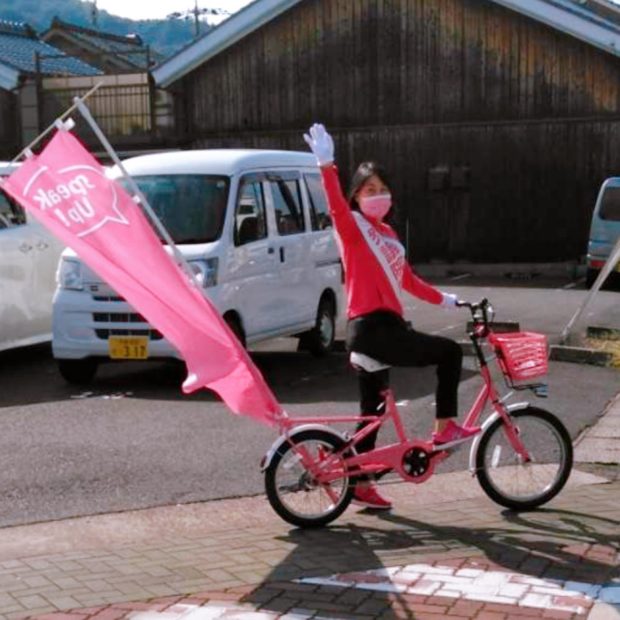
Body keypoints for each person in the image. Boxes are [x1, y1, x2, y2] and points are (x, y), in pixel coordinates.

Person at [303, 123, 480, 510]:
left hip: (382, 329)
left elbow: (408, 281)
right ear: (356, 197)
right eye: (369, 190)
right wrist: (326, 165)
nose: (378, 195)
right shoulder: (353, 229)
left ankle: (359, 482)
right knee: (449, 353)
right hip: (372, 328)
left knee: (374, 414)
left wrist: (447, 300)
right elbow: (334, 204)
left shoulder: (387, 234)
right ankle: (444, 428)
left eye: (383, 189)